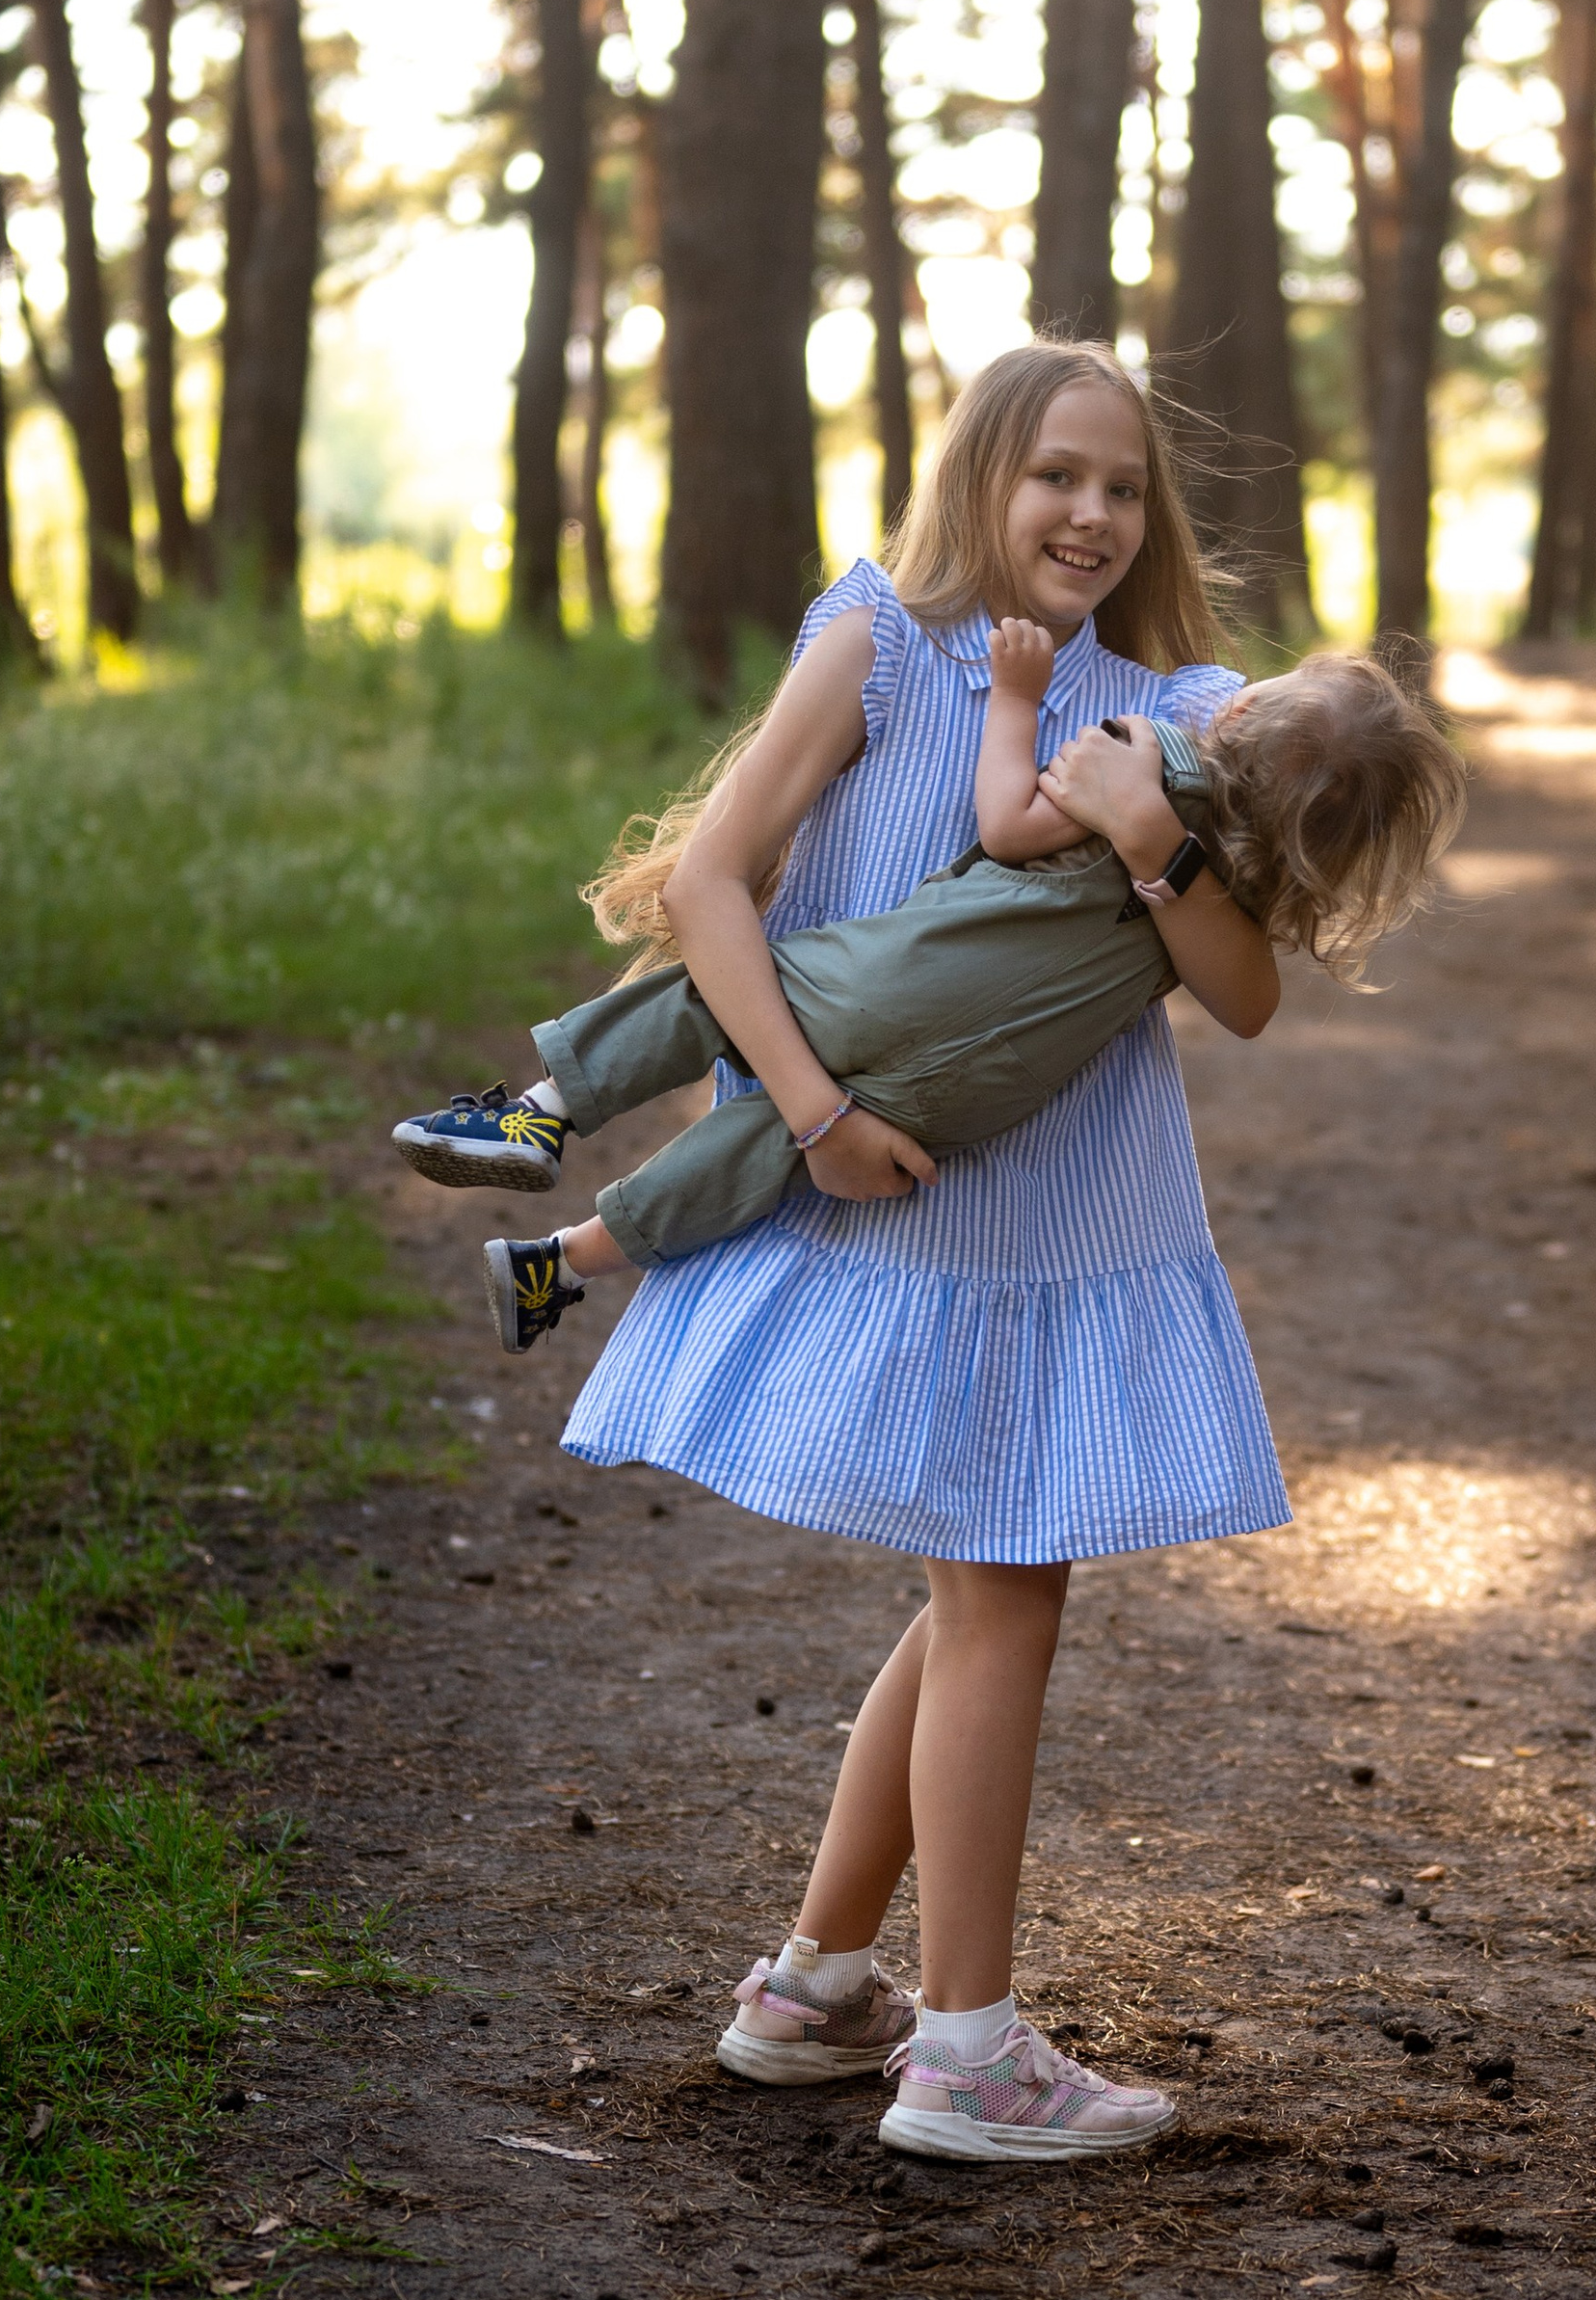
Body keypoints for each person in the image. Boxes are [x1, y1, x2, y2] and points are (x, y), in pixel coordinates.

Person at [401, 343, 1457, 2166]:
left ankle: (818, 1981)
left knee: (985, 1589)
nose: (1091, 513)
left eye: (1122, 488)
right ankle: (963, 2047)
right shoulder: (882, 637)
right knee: (1001, 1592)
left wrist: (1150, 849)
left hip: (1074, 1220)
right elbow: (713, 887)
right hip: (912, 1183)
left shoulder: (1189, 710)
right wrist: (812, 1112)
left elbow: (1247, 991)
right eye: (1055, 474)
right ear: (980, 474)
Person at [393, 634, 1461, 1340]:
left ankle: (541, 1113)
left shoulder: (1150, 755)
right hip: (966, 1100)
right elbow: (1247, 1003)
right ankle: (561, 1262)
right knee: (767, 1147)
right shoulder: (1240, 896)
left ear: (1240, 717)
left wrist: (1015, 699)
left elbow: (1006, 820)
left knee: (710, 997)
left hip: (885, 986)